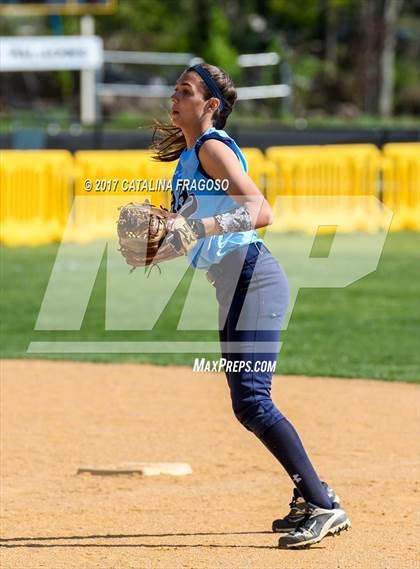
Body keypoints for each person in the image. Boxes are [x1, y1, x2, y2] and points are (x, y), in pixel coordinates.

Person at [151, 62, 350, 549]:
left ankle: (323, 504)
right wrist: (159, 243)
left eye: (185, 91)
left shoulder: (212, 147)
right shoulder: (189, 159)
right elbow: (194, 233)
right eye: (175, 90)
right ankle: (314, 494)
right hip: (234, 283)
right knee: (248, 403)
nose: (174, 98)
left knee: (253, 401)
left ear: (210, 105)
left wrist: (191, 227)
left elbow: (260, 210)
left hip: (252, 278)